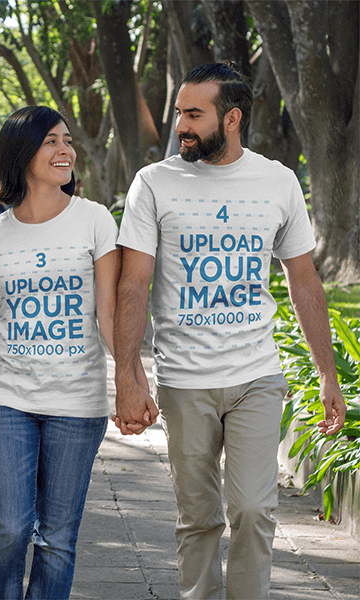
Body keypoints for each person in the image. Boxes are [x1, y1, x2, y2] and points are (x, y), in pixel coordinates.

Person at [113, 61, 346, 600]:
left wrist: (327, 375)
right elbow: (133, 285)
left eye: (194, 114)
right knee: (198, 517)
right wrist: (129, 374)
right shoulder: (155, 182)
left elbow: (305, 284)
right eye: (179, 113)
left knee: (253, 509)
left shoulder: (278, 181)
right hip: (184, 380)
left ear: (233, 117)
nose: (181, 126)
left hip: (256, 375)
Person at [0, 105, 120, 599]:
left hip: (78, 402)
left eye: (67, 140)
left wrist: (131, 378)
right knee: (10, 528)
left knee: (57, 540)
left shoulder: (94, 221)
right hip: (10, 400)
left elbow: (108, 315)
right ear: (22, 153)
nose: (65, 150)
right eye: (51, 141)